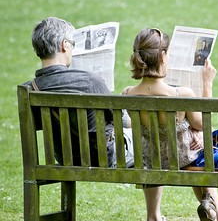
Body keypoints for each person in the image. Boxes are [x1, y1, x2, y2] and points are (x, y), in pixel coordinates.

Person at [122, 27, 218, 221]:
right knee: (205, 155)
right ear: (162, 56)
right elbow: (203, 123)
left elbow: (131, 123)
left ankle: (154, 219)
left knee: (185, 151)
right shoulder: (181, 94)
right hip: (184, 159)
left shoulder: (127, 93)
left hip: (150, 160)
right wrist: (207, 83)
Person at [22, 17, 134, 168]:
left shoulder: (30, 88)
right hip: (102, 157)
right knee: (147, 139)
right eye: (72, 44)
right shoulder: (90, 81)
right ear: (65, 45)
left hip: (66, 158)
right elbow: (121, 120)